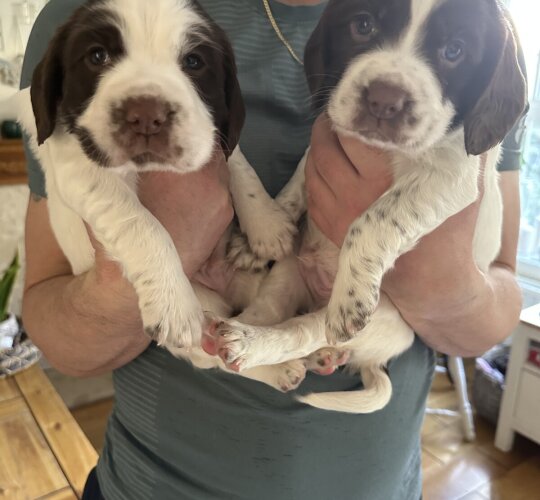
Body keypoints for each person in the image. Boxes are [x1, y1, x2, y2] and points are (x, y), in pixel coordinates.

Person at [21, 0, 524, 498]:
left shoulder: (482, 23)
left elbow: (493, 315)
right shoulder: (86, 14)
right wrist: (145, 265)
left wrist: (425, 272)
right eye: (364, 24)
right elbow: (55, 337)